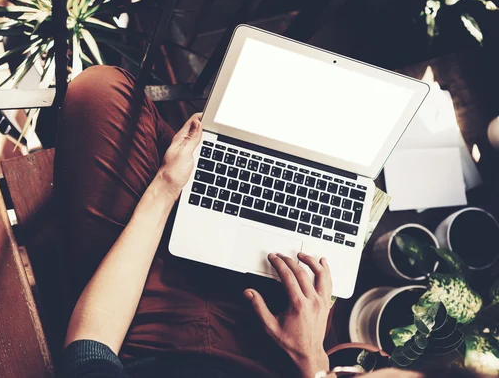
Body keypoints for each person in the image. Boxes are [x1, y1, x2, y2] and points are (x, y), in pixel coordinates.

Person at [54, 66, 484, 378]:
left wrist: (166, 187)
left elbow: (90, 348)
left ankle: (210, 172)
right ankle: (226, 169)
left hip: (141, 335)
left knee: (100, 93)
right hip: (274, 348)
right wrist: (314, 363)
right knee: (243, 166)